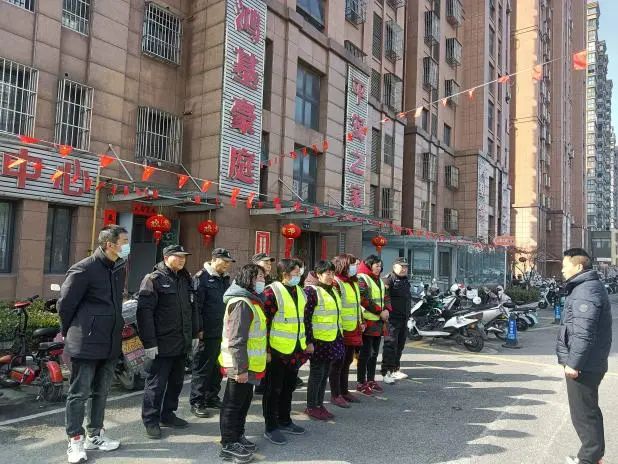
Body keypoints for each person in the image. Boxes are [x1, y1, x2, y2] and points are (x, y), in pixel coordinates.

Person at [58, 225, 129, 463]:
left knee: (102, 391)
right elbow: (65, 305)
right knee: (79, 394)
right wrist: (70, 332)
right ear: (110, 244)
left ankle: (95, 435)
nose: (127, 246)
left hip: (109, 342)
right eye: (124, 241)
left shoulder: (118, 268)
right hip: (85, 342)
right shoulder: (84, 268)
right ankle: (75, 440)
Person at [137, 245, 202, 439]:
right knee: (156, 385)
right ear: (166, 258)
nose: (182, 260)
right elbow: (144, 313)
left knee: (176, 383)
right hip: (161, 344)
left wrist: (194, 334)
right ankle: (151, 420)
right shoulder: (153, 280)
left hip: (181, 342)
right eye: (178, 256)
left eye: (184, 257)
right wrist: (149, 343)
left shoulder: (185, 278)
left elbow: (192, 308)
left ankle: (168, 414)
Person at [557, 248, 612, 464]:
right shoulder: (586, 287)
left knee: (583, 415)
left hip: (584, 365)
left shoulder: (586, 290)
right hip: (589, 363)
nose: (562, 270)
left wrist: (573, 363)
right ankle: (593, 457)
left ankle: (589, 459)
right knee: (588, 411)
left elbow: (583, 331)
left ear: (578, 266)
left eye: (565, 266)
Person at [219, 264, 268, 464]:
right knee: (232, 405)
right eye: (259, 277)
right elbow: (236, 339)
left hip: (249, 364)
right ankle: (228, 444)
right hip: (239, 365)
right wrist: (240, 370)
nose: (262, 281)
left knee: (243, 403)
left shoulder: (252, 301)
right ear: (249, 279)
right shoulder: (241, 303)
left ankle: (238, 435)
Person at [261, 259, 309, 445]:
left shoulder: (300, 291)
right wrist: (266, 350)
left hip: (295, 349)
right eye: (295, 273)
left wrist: (306, 343)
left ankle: (284, 420)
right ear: (285, 274)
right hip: (276, 350)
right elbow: (264, 323)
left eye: (299, 273)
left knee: (289, 387)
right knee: (273, 390)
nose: (299, 276)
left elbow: (304, 319)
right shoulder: (271, 292)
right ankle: (271, 426)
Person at [190, 248, 233, 417]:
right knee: (202, 368)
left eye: (229, 262)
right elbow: (196, 307)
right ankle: (197, 401)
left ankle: (211, 396)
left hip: (222, 331)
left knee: (217, 367)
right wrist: (198, 329)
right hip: (206, 332)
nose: (227, 265)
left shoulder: (224, 278)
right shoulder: (201, 278)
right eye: (225, 261)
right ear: (214, 259)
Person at [303, 261, 345, 420]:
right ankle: (311, 406)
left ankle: (319, 405)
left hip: (332, 339)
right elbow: (306, 318)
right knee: (316, 374)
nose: (331, 276)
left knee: (325, 373)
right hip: (318, 341)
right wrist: (308, 341)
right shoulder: (311, 291)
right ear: (318, 275)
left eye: (332, 273)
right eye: (327, 273)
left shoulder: (333, 290)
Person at [330, 254, 363, 405]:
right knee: (338, 363)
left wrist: (361, 321)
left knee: (348, 361)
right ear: (343, 265)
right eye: (352, 264)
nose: (355, 267)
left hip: (352, 328)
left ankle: (344, 391)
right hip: (341, 329)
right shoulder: (336, 282)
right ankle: (336, 394)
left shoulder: (353, 282)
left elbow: (356, 305)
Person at [356, 255, 391, 396]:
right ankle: (361, 382)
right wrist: (379, 311)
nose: (379, 268)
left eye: (380, 266)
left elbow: (386, 297)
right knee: (365, 354)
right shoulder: (362, 278)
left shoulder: (379, 280)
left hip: (379, 323)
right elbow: (363, 299)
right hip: (368, 322)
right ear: (369, 265)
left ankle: (371, 380)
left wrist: (387, 309)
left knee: (374, 354)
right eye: (376, 265)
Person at [381, 257, 411, 384]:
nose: (404, 269)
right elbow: (384, 298)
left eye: (406, 266)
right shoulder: (388, 279)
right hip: (392, 319)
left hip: (403, 318)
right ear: (394, 267)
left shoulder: (405, 280)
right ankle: (386, 372)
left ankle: (395, 369)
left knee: (400, 345)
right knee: (390, 345)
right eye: (401, 266)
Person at [252, 253, 275, 396]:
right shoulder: (249, 279)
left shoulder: (271, 280)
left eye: (270, 263)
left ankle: (263, 384)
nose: (268, 265)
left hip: (269, 321)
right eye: (265, 262)